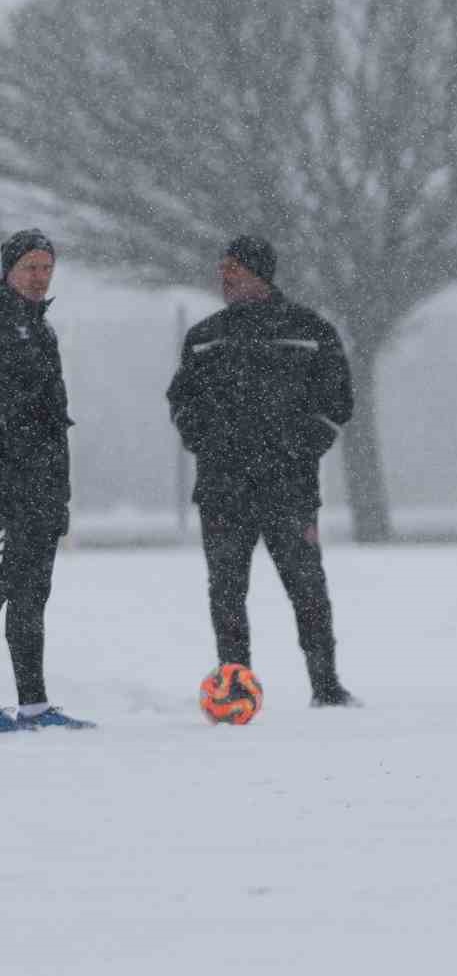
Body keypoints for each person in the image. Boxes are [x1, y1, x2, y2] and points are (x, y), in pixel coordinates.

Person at [166, 236, 359, 707]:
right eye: (222, 267)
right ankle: (235, 684)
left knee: (307, 588)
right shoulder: (204, 336)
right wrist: (205, 442)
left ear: (261, 273)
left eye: (235, 267)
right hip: (222, 489)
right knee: (227, 594)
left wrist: (298, 448)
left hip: (289, 489)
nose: (225, 275)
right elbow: (182, 401)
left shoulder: (310, 329)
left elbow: (337, 401)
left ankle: (326, 685)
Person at [0, 229, 93, 731]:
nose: (39, 277)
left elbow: (51, 422)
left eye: (46, 267)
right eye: (30, 267)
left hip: (40, 485)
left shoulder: (42, 329)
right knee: (6, 586)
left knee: (32, 592)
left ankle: (33, 705)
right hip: (7, 484)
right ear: (7, 270)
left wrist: (56, 491)